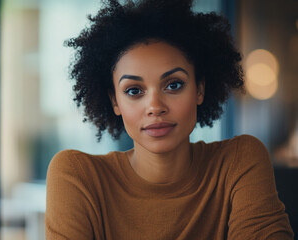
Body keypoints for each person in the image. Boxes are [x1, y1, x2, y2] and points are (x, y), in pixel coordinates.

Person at [45, 0, 294, 239]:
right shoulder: (77, 176)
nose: (155, 107)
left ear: (199, 89)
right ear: (114, 102)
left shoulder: (239, 162)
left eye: (173, 85)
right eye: (134, 90)